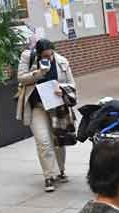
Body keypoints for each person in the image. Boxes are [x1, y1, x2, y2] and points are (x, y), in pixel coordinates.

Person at [16, 39, 76, 192]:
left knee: (59, 140)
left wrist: (62, 88)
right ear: (38, 53)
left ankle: (61, 170)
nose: (49, 58)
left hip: (57, 106)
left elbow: (72, 84)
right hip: (37, 107)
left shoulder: (62, 61)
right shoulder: (27, 57)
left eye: (51, 55)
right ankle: (49, 176)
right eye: (45, 56)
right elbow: (21, 78)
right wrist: (39, 73)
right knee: (43, 141)